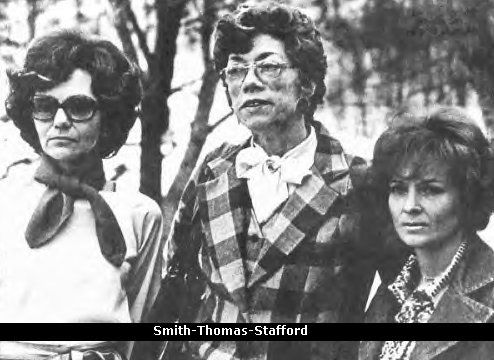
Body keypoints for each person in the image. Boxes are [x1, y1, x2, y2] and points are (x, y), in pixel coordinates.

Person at [158, 2, 403, 360]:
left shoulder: (359, 184)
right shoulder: (212, 169)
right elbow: (176, 281)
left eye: (269, 67)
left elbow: (404, 293)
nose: (250, 81)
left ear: (307, 81)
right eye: (236, 71)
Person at [0, 30, 164, 359]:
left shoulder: (140, 213)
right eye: (45, 106)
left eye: (78, 107)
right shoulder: (5, 200)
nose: (59, 121)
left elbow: (143, 333)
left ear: (108, 115)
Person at [359, 107, 494, 360]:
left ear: (468, 196)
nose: (410, 206)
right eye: (398, 189)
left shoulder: (489, 296)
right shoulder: (394, 290)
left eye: (430, 190)